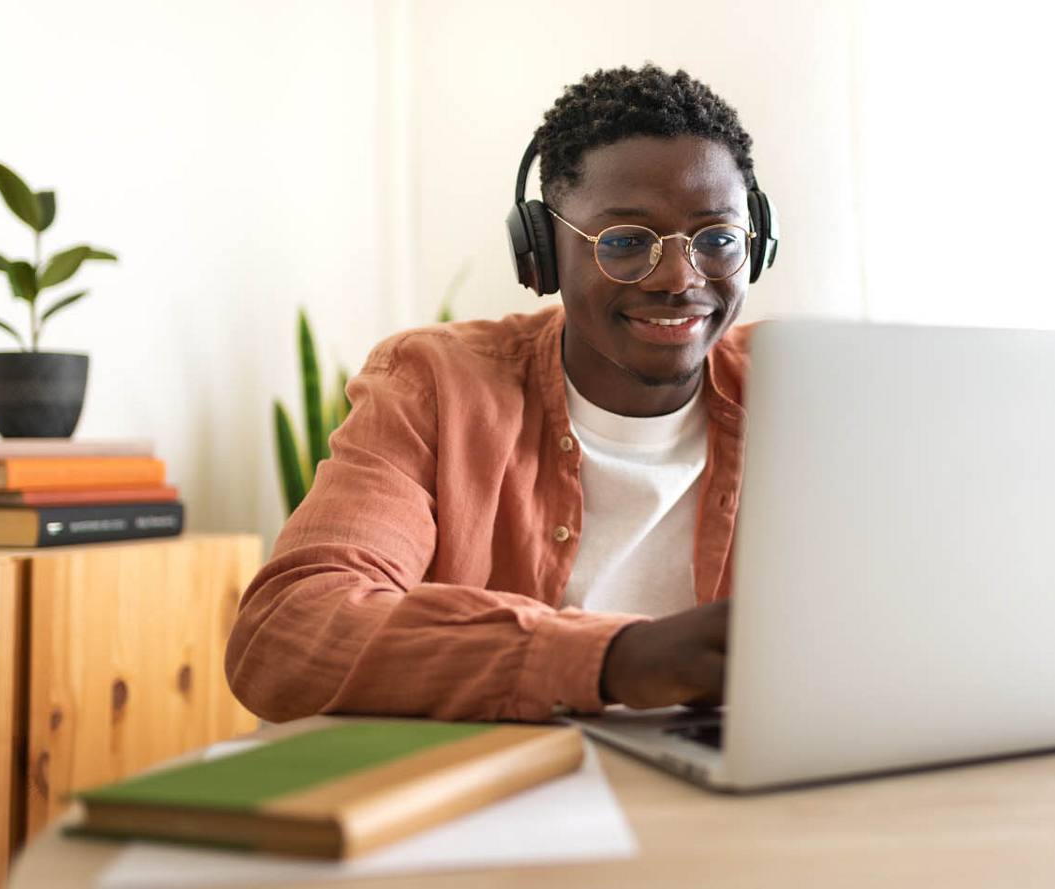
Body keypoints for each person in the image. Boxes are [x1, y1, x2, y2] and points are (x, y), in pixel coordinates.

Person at [225, 63, 777, 722]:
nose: (680, 277)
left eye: (717, 238)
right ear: (540, 251)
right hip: (506, 795)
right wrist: (614, 658)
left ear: (757, 241)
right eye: (627, 242)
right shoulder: (434, 386)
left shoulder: (805, 392)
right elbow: (287, 633)